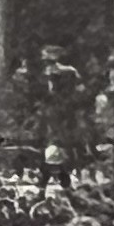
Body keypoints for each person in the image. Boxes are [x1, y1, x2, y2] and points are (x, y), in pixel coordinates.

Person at [27, 46, 90, 192]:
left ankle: (54, 180)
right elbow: (80, 90)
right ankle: (58, 180)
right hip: (61, 115)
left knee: (57, 146)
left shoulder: (60, 74)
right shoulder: (69, 73)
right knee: (59, 147)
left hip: (58, 115)